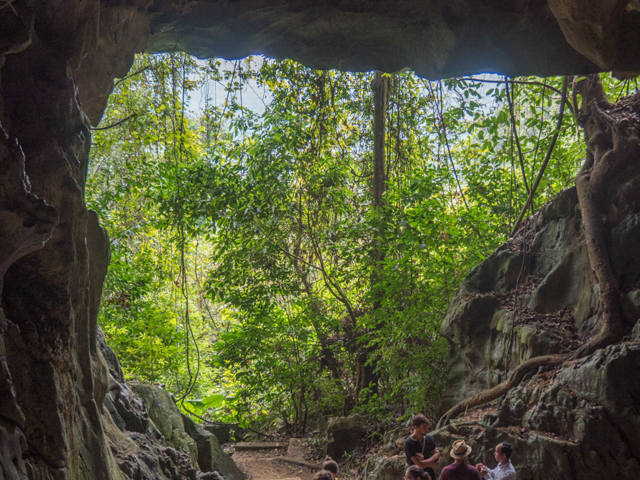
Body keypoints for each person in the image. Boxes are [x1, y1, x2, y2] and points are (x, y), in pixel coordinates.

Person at [404, 414, 440, 480]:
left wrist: (424, 463)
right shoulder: (409, 443)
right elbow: (419, 465)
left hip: (430, 475)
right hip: (414, 477)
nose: (427, 430)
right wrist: (434, 457)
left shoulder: (429, 439)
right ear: (416, 427)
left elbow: (437, 463)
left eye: (427, 427)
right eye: (424, 427)